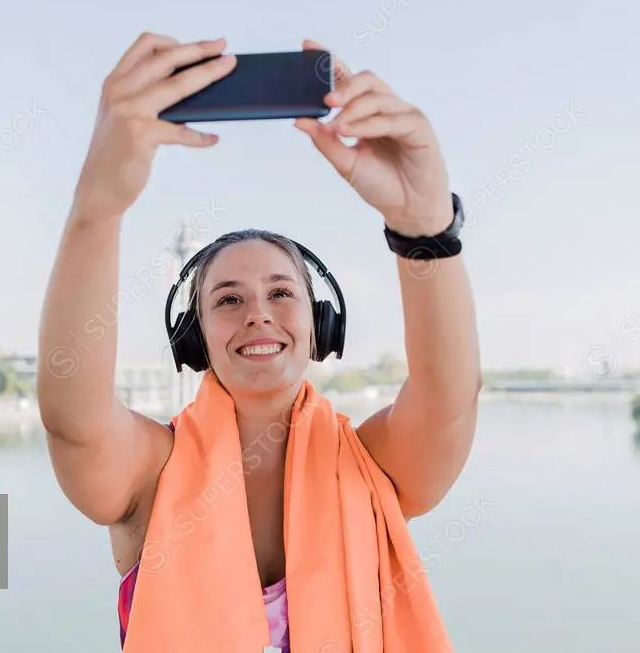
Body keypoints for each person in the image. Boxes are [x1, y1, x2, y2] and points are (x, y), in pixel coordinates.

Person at [37, 33, 482, 653]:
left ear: (319, 322)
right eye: (226, 299)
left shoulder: (376, 464)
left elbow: (450, 397)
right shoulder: (151, 474)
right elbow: (73, 422)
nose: (257, 315)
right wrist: (98, 208)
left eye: (281, 293)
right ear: (193, 336)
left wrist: (424, 229)